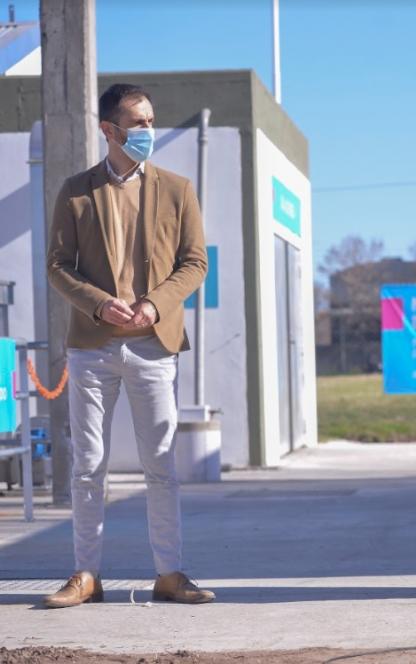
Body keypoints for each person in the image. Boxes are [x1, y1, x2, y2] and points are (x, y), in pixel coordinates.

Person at [44, 83, 214, 608]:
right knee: (88, 464)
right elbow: (57, 266)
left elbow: (195, 262)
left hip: (153, 345)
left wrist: (156, 303)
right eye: (137, 123)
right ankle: (85, 575)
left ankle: (170, 573)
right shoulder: (76, 191)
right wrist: (98, 303)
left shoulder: (177, 189)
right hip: (92, 347)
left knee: (160, 464)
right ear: (109, 130)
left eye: (150, 121)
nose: (147, 131)